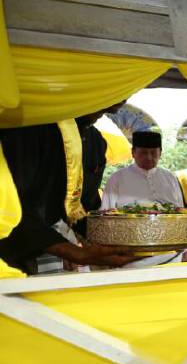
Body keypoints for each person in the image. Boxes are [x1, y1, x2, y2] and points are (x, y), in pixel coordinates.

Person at [0, 115, 135, 274]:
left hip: (60, 245)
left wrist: (114, 239)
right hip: (16, 249)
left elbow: (85, 205)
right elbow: (12, 203)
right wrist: (70, 250)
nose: (120, 101)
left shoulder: (96, 142)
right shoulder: (26, 129)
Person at [101, 131, 184, 209]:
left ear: (160, 153)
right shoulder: (117, 178)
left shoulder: (170, 178)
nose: (149, 157)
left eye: (153, 153)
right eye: (143, 153)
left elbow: (181, 211)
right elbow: (106, 212)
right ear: (133, 152)